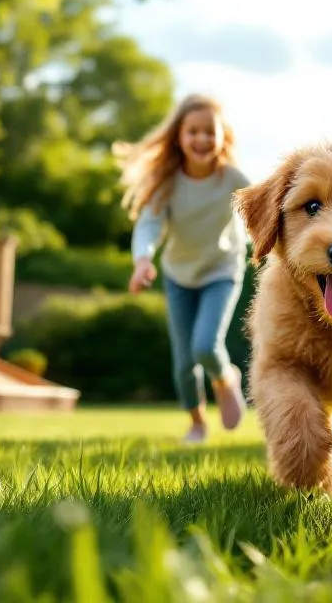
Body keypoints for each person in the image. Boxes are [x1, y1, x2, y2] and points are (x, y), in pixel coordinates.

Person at [116, 93, 250, 445]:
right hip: (178, 275)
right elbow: (148, 224)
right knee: (183, 363)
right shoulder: (168, 182)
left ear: (223, 137)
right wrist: (142, 259)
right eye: (193, 131)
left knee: (206, 345)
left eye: (210, 131)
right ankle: (197, 424)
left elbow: (261, 212)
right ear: (179, 136)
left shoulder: (233, 178)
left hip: (221, 270)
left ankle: (225, 379)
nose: (202, 139)